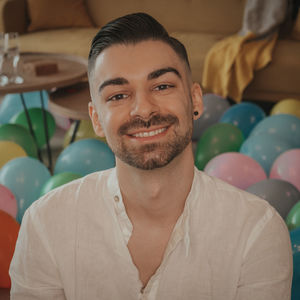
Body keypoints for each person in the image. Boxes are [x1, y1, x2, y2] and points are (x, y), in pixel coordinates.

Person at [9, 13, 293, 300]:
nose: (143, 110)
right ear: (95, 118)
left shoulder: (257, 230)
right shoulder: (46, 224)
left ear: (195, 100)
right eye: (118, 96)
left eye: (162, 86)